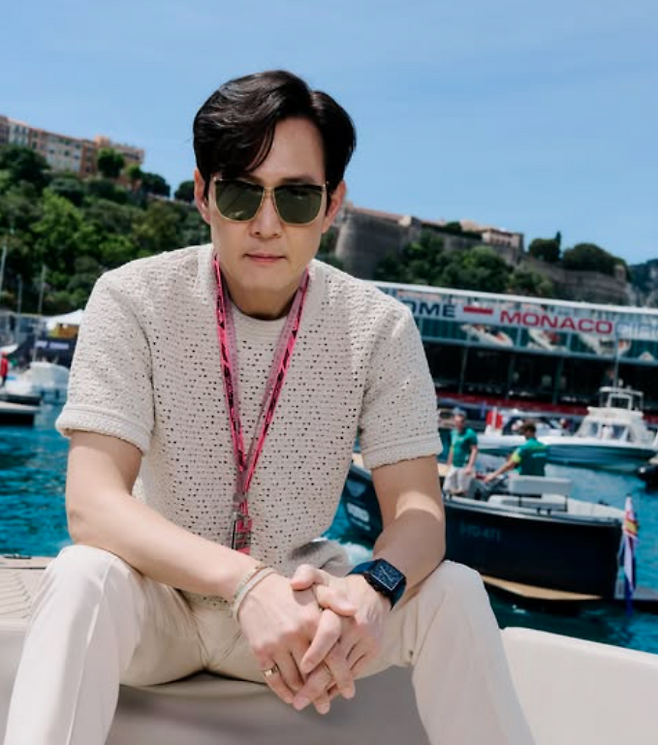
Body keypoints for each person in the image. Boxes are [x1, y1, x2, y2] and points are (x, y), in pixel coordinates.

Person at [4, 71, 533, 745]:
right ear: (202, 194)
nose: (266, 223)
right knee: (81, 574)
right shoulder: (132, 298)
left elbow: (419, 511)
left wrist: (374, 586)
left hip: (301, 601)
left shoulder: (379, 327)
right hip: (161, 600)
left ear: (333, 204)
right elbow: (92, 504)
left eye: (297, 197)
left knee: (455, 591)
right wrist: (246, 584)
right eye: (239, 192)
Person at [484, 420, 548, 482]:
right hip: (540, 481)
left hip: (525, 481)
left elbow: (510, 464)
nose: (523, 436)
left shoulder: (524, 448)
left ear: (528, 431)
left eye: (523, 433)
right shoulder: (544, 447)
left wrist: (493, 475)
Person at [443, 408, 478, 496]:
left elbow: (474, 450)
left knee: (461, 489)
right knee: (447, 486)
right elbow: (452, 447)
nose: (458, 424)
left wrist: (470, 466)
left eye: (460, 422)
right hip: (454, 464)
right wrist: (449, 462)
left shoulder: (470, 433)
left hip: (464, 465)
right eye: (456, 422)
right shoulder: (453, 433)